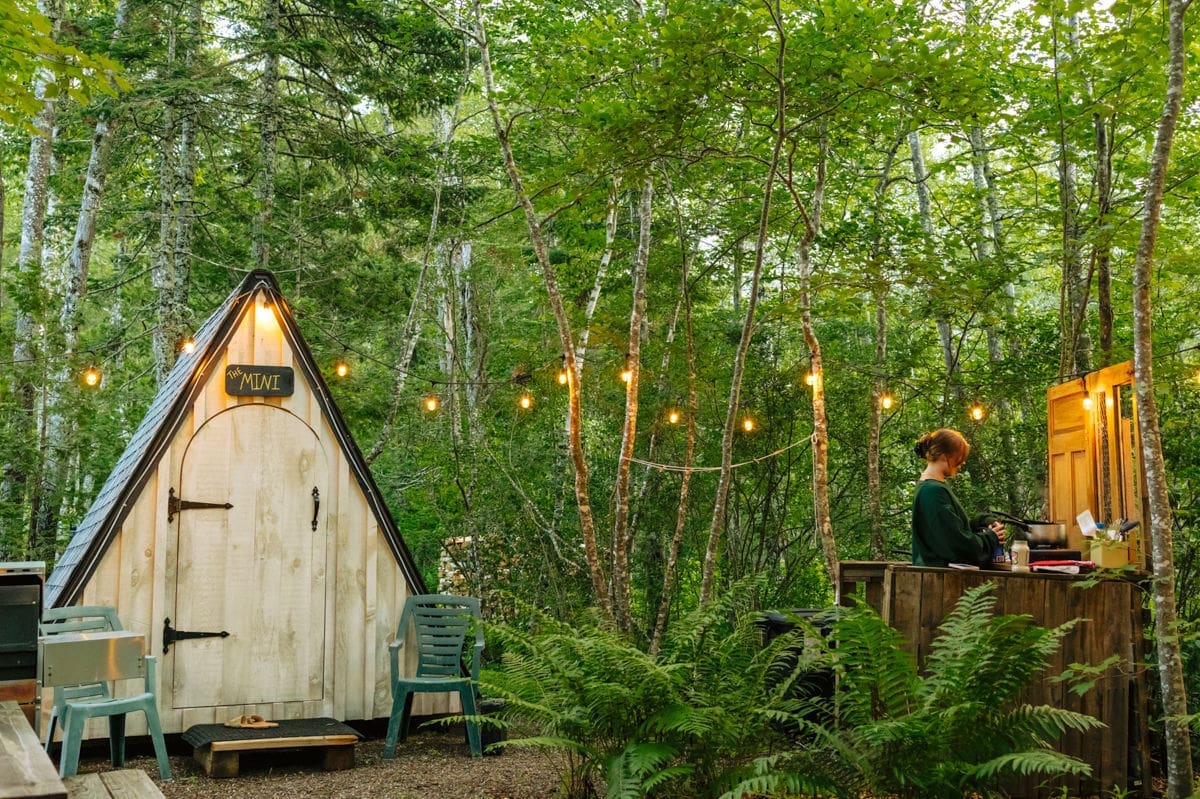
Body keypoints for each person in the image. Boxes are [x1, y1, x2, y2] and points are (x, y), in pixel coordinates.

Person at [911, 428, 1006, 567]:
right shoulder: (932, 491)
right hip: (938, 575)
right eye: (959, 457)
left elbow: (954, 528)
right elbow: (954, 544)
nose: (963, 462)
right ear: (945, 456)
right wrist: (990, 538)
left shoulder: (935, 487)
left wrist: (983, 521)